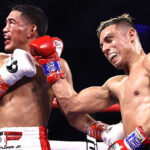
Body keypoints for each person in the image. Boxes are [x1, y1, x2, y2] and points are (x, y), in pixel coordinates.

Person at [0, 4, 124, 150]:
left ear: (31, 29)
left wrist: (105, 132)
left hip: (32, 143)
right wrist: (7, 75)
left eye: (11, 23)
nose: (4, 29)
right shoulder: (1, 60)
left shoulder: (56, 65)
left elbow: (72, 112)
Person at [29, 13, 150, 150]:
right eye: (102, 46)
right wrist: (51, 64)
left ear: (131, 35)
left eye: (109, 40)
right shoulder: (116, 85)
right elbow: (71, 106)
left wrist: (132, 142)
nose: (105, 49)